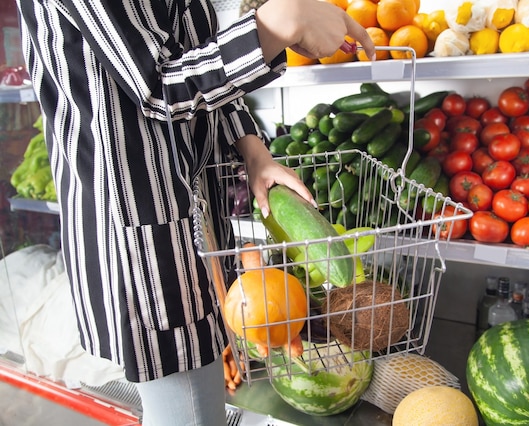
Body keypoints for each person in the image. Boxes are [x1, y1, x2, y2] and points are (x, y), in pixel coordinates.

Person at [15, 0, 375, 424]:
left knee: (198, 398)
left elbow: (192, 56)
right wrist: (284, 21)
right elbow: (154, 84)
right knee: (189, 412)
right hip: (137, 220)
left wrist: (253, 149)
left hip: (194, 215)